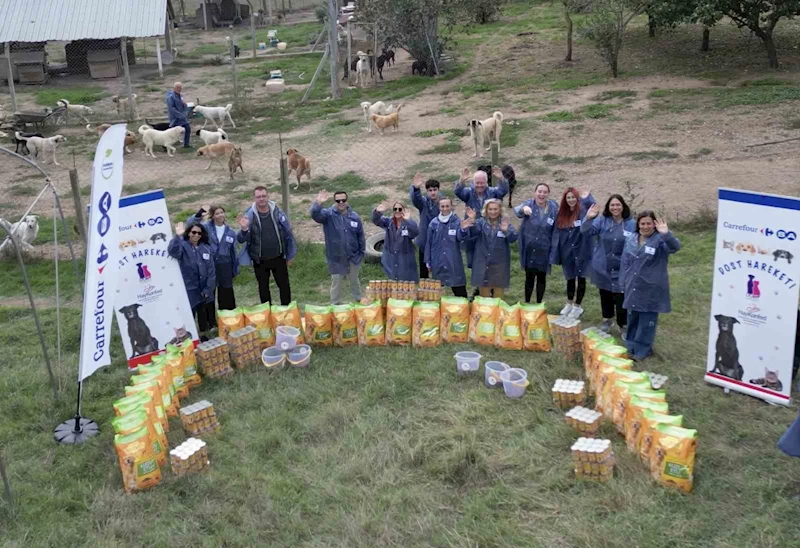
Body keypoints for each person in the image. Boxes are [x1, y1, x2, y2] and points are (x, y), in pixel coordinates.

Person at [619, 212, 681, 360]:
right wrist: (623, 281)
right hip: (633, 285)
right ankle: (630, 346)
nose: (646, 226)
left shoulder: (660, 239)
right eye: (643, 223)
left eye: (649, 223)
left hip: (651, 287)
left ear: (654, 224)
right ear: (638, 224)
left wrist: (667, 234)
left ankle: (642, 350)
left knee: (647, 320)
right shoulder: (631, 239)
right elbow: (625, 260)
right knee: (633, 317)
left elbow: (675, 247)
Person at [581, 195, 636, 335]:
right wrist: (588, 218)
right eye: (612, 205)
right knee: (605, 294)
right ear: (608, 207)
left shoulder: (631, 224)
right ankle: (607, 319)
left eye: (618, 205)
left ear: (623, 206)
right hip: (603, 266)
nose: (615, 208)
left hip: (623, 268)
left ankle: (623, 325)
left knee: (621, 297)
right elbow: (585, 231)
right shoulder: (602, 221)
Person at [237, 186, 297, 306]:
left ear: (268, 196)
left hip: (278, 256)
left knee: (284, 285)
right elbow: (240, 239)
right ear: (254, 198)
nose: (261, 199)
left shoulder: (277, 212)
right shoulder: (249, 216)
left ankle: (286, 312)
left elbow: (288, 234)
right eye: (258, 197)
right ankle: (267, 314)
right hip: (260, 259)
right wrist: (243, 229)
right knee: (263, 288)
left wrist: (290, 254)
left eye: (264, 196)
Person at [311, 189, 365, 304]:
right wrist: (318, 203)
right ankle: (335, 305)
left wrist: (361, 254)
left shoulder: (354, 216)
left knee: (354, 281)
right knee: (336, 282)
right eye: (338, 200)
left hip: (353, 257)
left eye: (343, 200)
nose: (341, 202)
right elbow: (315, 215)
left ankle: (359, 301)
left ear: (347, 200)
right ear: (335, 201)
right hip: (336, 258)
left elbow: (360, 236)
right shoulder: (328, 214)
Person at [550, 187, 595, 318]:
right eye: (568, 198)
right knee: (570, 278)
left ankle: (577, 306)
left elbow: (594, 209)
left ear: (577, 198)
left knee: (581, 278)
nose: (571, 200)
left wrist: (588, 197)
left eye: (573, 197)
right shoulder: (562, 214)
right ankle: (569, 303)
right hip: (567, 251)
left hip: (582, 250)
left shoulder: (582, 211)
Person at [168, 222, 216, 341]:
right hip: (189, 289)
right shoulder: (183, 246)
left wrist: (208, 288)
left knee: (203, 313)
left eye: (199, 233)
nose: (196, 235)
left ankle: (202, 335)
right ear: (188, 233)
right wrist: (178, 236)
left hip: (203, 288)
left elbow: (211, 271)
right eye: (193, 232)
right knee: (189, 314)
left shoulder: (206, 248)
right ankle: (189, 338)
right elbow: (173, 252)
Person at [454, 166, 509, 269]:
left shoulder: (492, 192)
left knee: (488, 261)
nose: (479, 185)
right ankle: (477, 282)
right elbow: (457, 192)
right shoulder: (468, 193)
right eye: (477, 183)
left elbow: (503, 190)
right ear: (473, 183)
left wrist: (501, 179)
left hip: (488, 231)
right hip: (473, 231)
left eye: (482, 182)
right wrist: (461, 181)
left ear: (487, 183)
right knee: (473, 262)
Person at [187, 205, 239, 310]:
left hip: (225, 265)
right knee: (209, 292)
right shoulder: (206, 228)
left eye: (222, 212)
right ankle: (210, 322)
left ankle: (227, 317)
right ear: (212, 216)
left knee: (226, 293)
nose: (220, 215)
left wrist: (234, 268)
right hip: (209, 264)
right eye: (217, 213)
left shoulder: (231, 232)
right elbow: (190, 225)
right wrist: (198, 215)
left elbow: (233, 252)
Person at [464, 199, 518, 298]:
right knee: (484, 293)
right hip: (483, 260)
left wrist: (506, 231)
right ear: (486, 210)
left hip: (499, 262)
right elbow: (473, 232)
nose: (493, 212)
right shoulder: (481, 222)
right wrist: (473, 221)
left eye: (495, 209)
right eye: (490, 209)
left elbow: (513, 238)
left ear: (500, 210)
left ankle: (497, 311)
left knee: (498, 293)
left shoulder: (504, 222)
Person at [515, 182, 559, 304]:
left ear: (548, 194)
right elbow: (517, 211)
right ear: (535, 193)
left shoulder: (553, 208)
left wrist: (554, 250)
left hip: (544, 249)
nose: (542, 194)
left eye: (545, 192)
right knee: (529, 277)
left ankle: (539, 303)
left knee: (541, 277)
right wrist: (523, 209)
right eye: (539, 191)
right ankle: (527, 302)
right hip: (529, 248)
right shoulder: (529, 204)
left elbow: (556, 231)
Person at [424, 197, 468, 297]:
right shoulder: (433, 223)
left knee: (459, 290)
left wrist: (463, 230)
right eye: (442, 206)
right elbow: (429, 243)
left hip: (452, 260)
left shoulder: (456, 221)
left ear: (451, 207)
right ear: (439, 207)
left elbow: (459, 238)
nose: (445, 208)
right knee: (437, 291)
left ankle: (463, 308)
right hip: (437, 260)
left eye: (447, 206)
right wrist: (428, 260)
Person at [372, 200, 419, 282]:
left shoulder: (409, 223)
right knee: (393, 282)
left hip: (404, 258)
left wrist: (408, 221)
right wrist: (377, 212)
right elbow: (376, 221)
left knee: (406, 284)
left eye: (400, 209)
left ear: (404, 210)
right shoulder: (389, 222)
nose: (397, 211)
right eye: (395, 209)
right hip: (391, 257)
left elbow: (415, 232)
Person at [410, 173, 441, 279]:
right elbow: (416, 199)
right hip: (424, 240)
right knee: (423, 270)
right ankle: (424, 290)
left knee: (439, 268)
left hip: (439, 241)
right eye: (430, 190)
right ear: (427, 191)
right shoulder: (423, 203)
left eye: (435, 190)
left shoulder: (444, 203)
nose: (433, 192)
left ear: (438, 190)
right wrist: (416, 188)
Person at [166, 82, 191, 149]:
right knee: (171, 132)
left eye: (180, 87)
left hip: (182, 117)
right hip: (175, 118)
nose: (179, 89)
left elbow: (181, 105)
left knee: (188, 128)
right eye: (177, 87)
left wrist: (184, 105)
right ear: (174, 88)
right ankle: (166, 145)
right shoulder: (170, 97)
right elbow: (171, 109)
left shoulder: (180, 95)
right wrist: (180, 115)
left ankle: (186, 144)